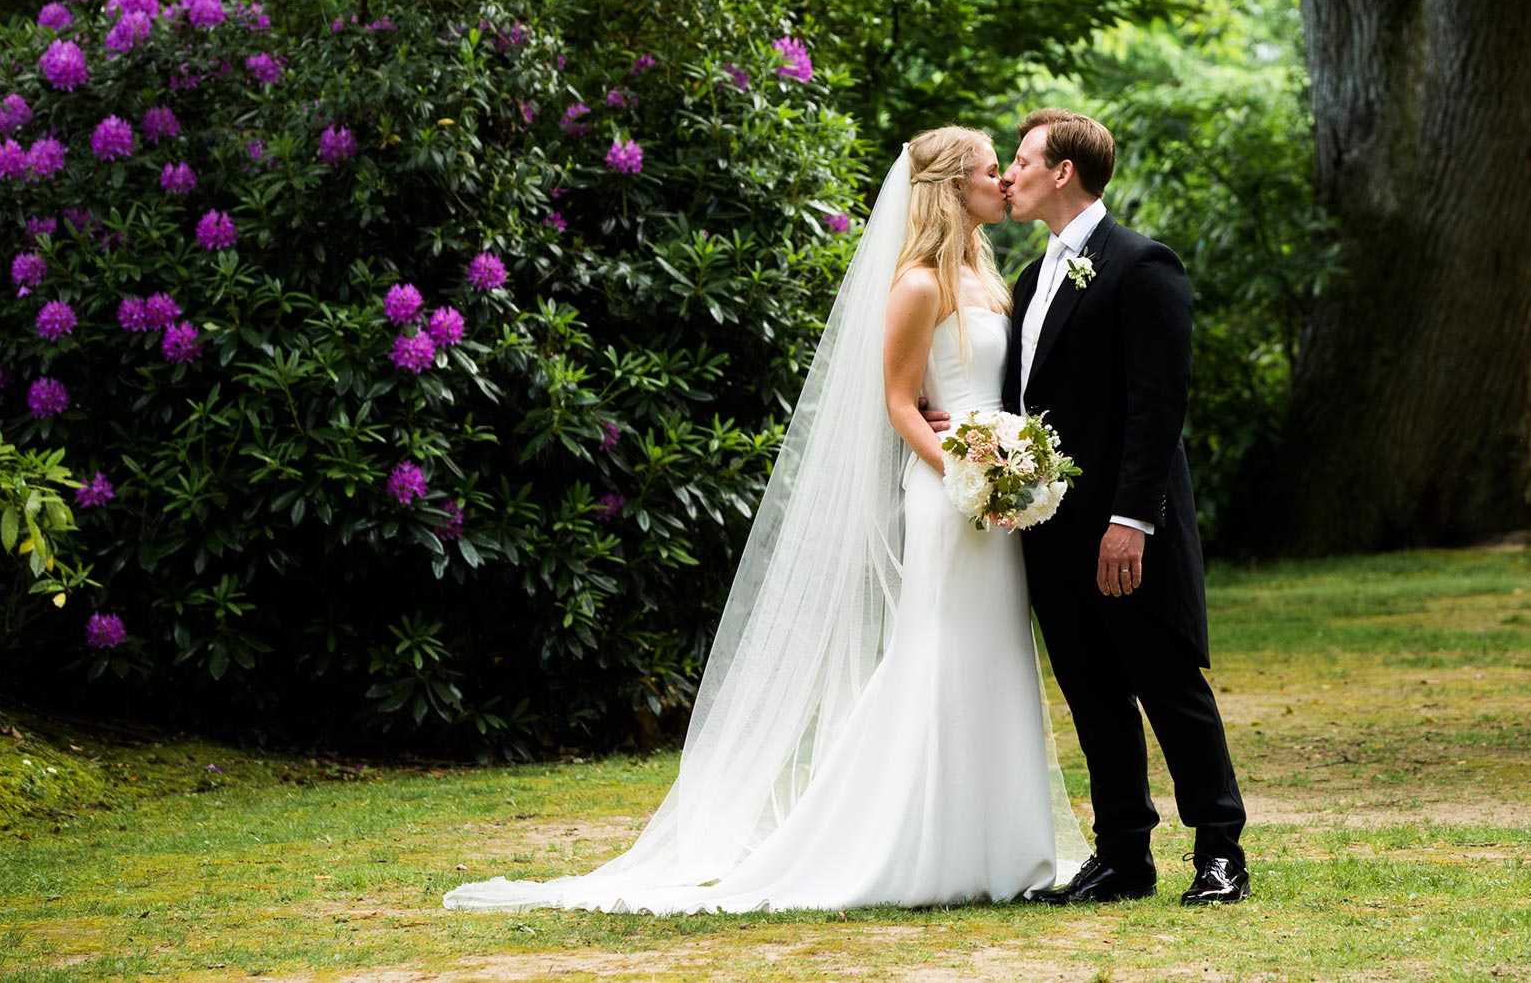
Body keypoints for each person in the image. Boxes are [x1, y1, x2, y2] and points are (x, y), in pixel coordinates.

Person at [443, 126, 1088, 914]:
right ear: (955, 185)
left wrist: (1013, 466)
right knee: (939, 652)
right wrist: (965, 469)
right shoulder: (918, 282)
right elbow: (898, 402)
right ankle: (912, 844)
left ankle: (1002, 846)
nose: (1004, 181)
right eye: (993, 170)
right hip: (949, 496)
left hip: (995, 499)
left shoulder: (988, 277)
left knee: (996, 656)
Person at [991, 108, 1249, 905]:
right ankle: (1124, 857)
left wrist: (1129, 521)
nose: (1009, 174)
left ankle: (1220, 854)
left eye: (1023, 160)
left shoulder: (1142, 265)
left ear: (1063, 171)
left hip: (1125, 526)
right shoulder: (1032, 280)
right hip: (1050, 530)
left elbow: (1157, 402)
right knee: (1093, 693)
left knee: (1169, 685)